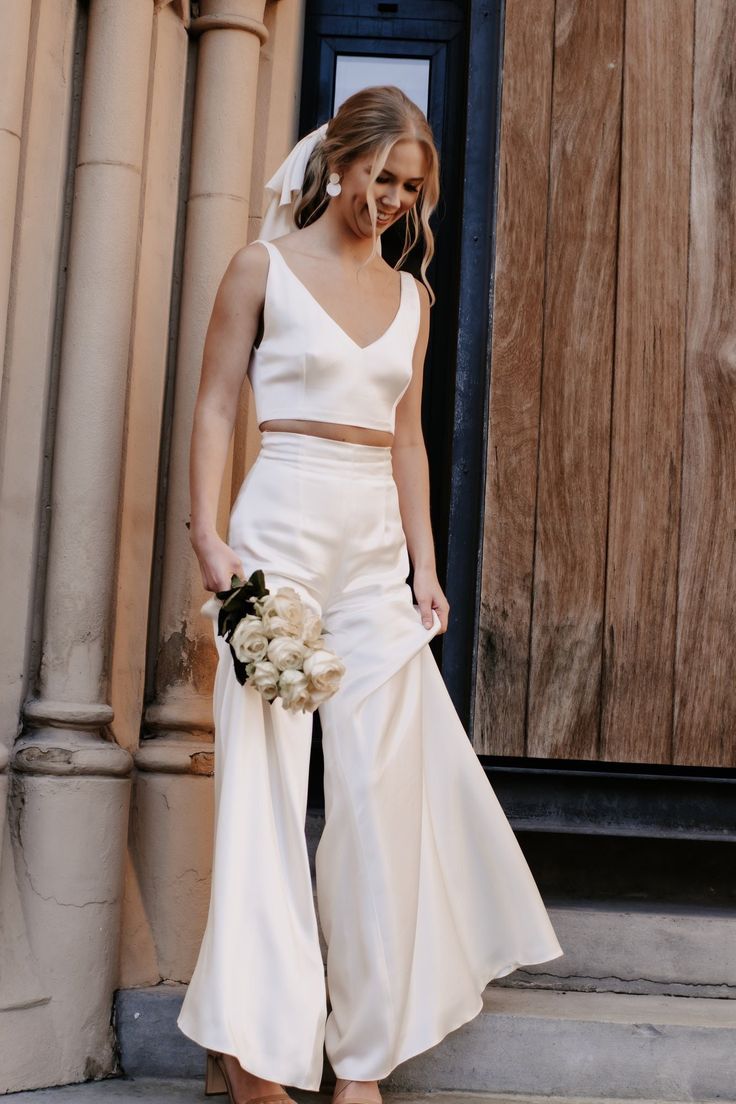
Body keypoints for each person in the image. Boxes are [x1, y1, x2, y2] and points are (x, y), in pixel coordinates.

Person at [176, 85, 564, 1104]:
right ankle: (253, 1047)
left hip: (373, 551)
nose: (392, 199)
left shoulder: (413, 299)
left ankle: (362, 1058)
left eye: (409, 187)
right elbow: (217, 403)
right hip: (278, 534)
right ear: (338, 163)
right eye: (380, 177)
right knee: (262, 791)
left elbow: (405, 439)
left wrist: (425, 567)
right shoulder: (262, 268)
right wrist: (208, 538)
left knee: (374, 796)